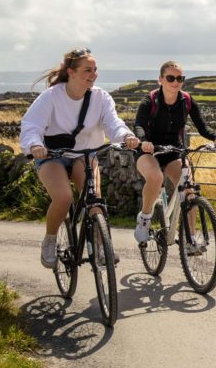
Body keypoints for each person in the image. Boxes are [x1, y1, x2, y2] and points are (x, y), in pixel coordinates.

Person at [19, 48, 140, 268]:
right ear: (71, 72)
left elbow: (113, 123)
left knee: (94, 199)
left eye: (95, 70)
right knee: (64, 198)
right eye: (87, 70)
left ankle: (101, 247)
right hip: (52, 156)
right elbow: (31, 126)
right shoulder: (51, 97)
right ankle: (50, 239)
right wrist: (35, 145)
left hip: (85, 154)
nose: (93, 74)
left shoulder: (100, 97)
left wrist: (126, 136)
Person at [133, 61, 216, 253]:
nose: (176, 82)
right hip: (149, 150)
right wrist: (143, 140)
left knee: (189, 190)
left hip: (173, 150)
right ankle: (145, 218)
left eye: (180, 78)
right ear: (161, 79)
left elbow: (202, 126)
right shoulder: (149, 100)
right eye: (171, 78)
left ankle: (190, 240)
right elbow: (138, 125)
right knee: (155, 177)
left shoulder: (187, 100)